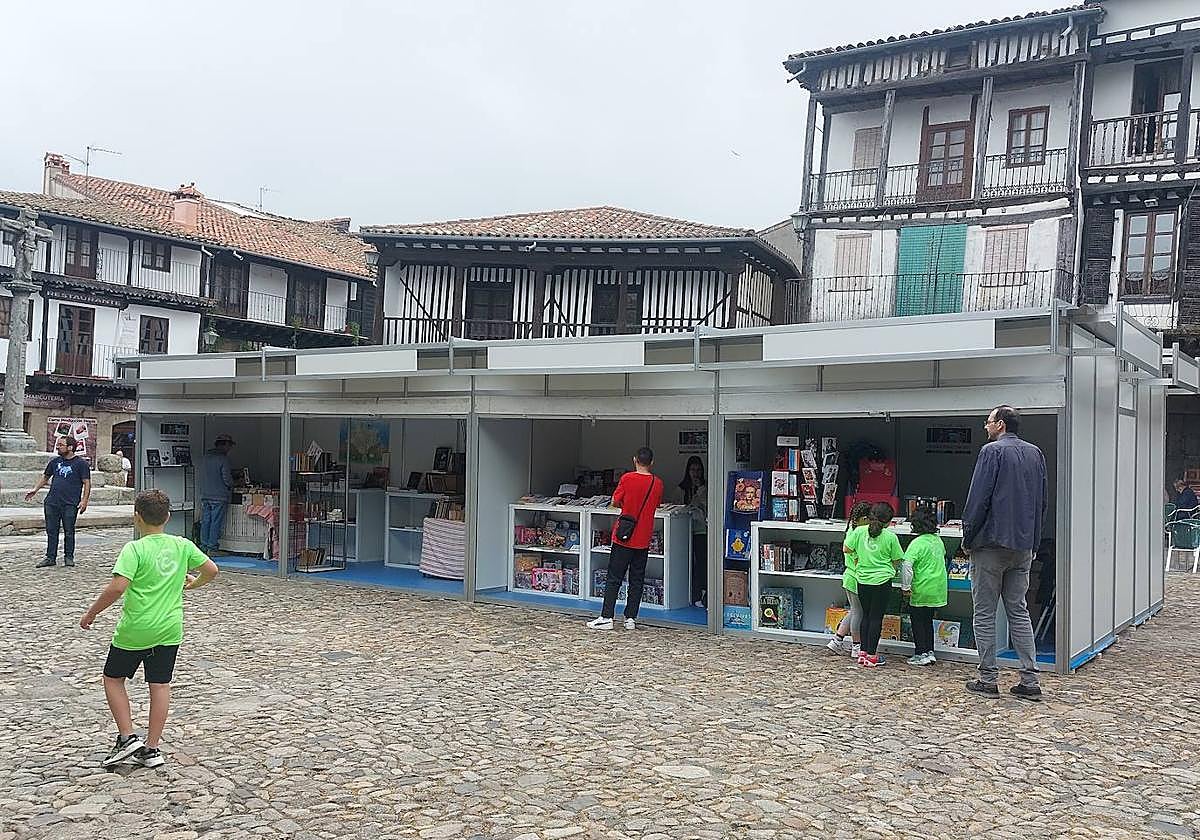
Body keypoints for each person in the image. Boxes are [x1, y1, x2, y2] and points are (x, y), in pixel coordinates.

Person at [80, 489, 219, 768]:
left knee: (113, 678)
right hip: (169, 628)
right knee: (160, 684)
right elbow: (212, 570)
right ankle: (152, 748)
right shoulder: (182, 546)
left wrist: (92, 612)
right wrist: (193, 583)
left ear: (137, 518)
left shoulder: (134, 549)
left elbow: (118, 586)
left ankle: (127, 736)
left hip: (136, 629)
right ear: (167, 516)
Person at [962, 405, 1046, 702]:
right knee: (1018, 611)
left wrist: (967, 536)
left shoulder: (991, 452)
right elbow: (1041, 501)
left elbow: (978, 498)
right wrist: (1034, 542)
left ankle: (987, 678)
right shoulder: (1035, 453)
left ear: (999, 425)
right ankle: (1030, 680)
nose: (985, 427)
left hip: (991, 544)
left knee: (984, 612)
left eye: (987, 422)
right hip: (1023, 546)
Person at [587, 447, 664, 631]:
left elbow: (615, 501)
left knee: (614, 577)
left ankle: (607, 616)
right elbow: (657, 504)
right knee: (637, 579)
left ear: (635, 459)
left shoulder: (627, 479)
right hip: (644, 537)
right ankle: (631, 618)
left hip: (624, 537)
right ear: (652, 462)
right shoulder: (657, 483)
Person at [842, 502, 902, 668]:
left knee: (865, 616)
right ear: (889, 521)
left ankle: (862, 653)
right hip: (882, 581)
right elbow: (897, 559)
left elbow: (846, 549)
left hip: (862, 580)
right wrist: (891, 567)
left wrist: (858, 557)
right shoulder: (890, 537)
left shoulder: (859, 531)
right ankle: (872, 656)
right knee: (876, 618)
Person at [26, 436, 91, 569]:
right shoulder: (55, 462)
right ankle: (50, 557)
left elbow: (87, 482)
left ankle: (68, 556)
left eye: (61, 445)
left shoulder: (81, 464)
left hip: (70, 503)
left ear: (70, 447)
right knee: (51, 531)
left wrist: (84, 500)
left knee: (69, 531)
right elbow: (46, 477)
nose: (58, 447)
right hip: (52, 502)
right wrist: (35, 489)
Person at [900, 506, 948, 666]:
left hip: (921, 587)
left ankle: (920, 653)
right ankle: (930, 651)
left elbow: (907, 565)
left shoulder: (917, 543)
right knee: (928, 620)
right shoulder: (938, 541)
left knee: (917, 621)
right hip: (938, 588)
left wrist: (905, 586)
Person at [827, 502, 873, 658]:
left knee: (854, 610)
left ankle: (837, 639)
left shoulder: (852, 530)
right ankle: (856, 645)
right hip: (855, 577)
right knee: (858, 612)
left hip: (849, 577)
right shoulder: (859, 533)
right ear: (864, 518)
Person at [679, 456, 708, 608]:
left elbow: (708, 506)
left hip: (701, 529)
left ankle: (701, 592)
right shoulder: (681, 488)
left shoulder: (706, 488)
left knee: (701, 563)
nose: (695, 473)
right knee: (686, 563)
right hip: (683, 530)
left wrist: (700, 492)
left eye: (698, 470)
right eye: (692, 470)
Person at [198, 434, 235, 553]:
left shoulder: (205, 457)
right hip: (219, 496)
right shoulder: (223, 459)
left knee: (205, 521)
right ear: (225, 445)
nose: (230, 449)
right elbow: (227, 479)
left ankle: (203, 546)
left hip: (205, 494)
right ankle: (212, 548)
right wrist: (233, 484)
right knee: (215, 522)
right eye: (229, 446)